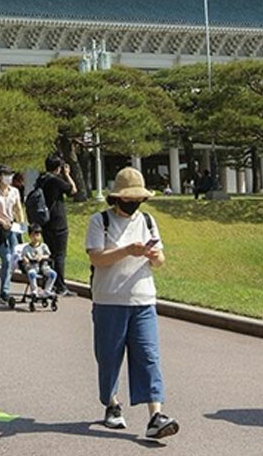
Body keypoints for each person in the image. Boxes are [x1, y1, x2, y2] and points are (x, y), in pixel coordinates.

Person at [86, 167, 178, 441]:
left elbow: (161, 260)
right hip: (109, 299)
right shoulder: (99, 221)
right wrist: (127, 250)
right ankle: (112, 404)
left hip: (143, 298)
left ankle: (155, 415)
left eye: (138, 198)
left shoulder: (148, 221)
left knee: (149, 356)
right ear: (117, 198)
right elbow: (97, 258)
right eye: (129, 198)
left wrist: (152, 255)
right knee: (109, 357)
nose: (134, 202)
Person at [37, 156, 77, 296]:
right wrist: (67, 174)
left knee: (51, 254)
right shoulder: (55, 180)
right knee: (59, 255)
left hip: (45, 222)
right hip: (58, 222)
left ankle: (50, 283)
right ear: (57, 168)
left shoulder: (41, 179)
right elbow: (73, 191)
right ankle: (60, 286)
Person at [0, 165, 23, 304]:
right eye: (5, 175)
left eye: (10, 175)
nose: (8, 178)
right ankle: (4, 292)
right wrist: (2, 222)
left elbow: (19, 208)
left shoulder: (14, 191)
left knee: (15, 258)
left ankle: (5, 290)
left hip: (13, 227)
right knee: (7, 259)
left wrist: (22, 222)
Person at [21, 225, 57, 298]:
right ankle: (34, 290)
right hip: (32, 266)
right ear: (30, 236)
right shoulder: (27, 248)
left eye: (37, 235)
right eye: (33, 235)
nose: (35, 237)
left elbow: (48, 255)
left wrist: (42, 257)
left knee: (53, 274)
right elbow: (23, 255)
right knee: (32, 274)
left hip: (43, 266)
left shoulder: (43, 246)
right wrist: (25, 259)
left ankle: (47, 290)